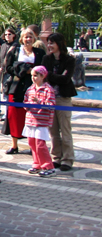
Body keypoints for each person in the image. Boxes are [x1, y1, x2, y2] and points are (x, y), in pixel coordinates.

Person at [2, 28, 45, 154]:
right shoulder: (15, 50)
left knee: (33, 117)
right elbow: (8, 67)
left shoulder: (39, 52)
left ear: (34, 38)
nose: (28, 39)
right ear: (22, 38)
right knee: (14, 116)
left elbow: (44, 68)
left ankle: (33, 145)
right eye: (26, 37)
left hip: (33, 87)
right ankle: (14, 145)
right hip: (16, 87)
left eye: (30, 37)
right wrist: (23, 69)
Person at [41, 32, 76, 172]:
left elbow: (65, 79)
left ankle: (67, 159)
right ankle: (56, 157)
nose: (49, 45)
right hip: (49, 98)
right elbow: (43, 77)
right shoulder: (46, 59)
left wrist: (50, 75)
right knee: (53, 131)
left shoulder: (69, 60)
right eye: (48, 43)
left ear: (59, 44)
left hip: (63, 98)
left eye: (52, 43)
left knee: (65, 129)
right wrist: (52, 76)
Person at [22, 65, 56, 177]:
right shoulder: (30, 89)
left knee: (40, 144)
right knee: (31, 143)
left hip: (41, 121)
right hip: (31, 120)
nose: (33, 78)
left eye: (36, 75)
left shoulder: (48, 89)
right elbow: (25, 102)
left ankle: (48, 166)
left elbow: (51, 105)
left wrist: (39, 101)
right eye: (32, 76)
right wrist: (26, 106)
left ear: (42, 76)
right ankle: (37, 164)